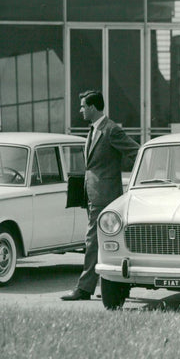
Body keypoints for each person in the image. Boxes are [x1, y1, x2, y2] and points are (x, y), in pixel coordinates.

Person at [62, 90, 139, 301]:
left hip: (104, 197)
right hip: (93, 194)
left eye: (83, 106)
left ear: (93, 108)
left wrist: (137, 179)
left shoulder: (111, 130)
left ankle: (84, 289)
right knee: (100, 241)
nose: (80, 110)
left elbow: (136, 151)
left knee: (92, 241)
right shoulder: (94, 130)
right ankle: (110, 285)